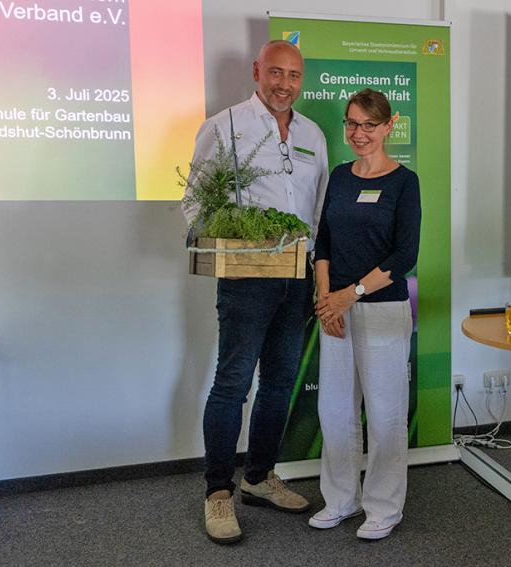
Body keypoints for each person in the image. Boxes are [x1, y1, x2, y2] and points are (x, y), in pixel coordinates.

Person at [181, 40, 329, 545]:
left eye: (294, 75)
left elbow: (318, 208)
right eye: (276, 73)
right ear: (257, 72)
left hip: (297, 277)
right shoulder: (223, 126)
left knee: (280, 381)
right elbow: (195, 203)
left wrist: (311, 265)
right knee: (232, 384)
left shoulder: (313, 133)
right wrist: (239, 235)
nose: (284, 84)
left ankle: (259, 476)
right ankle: (217, 492)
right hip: (245, 279)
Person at [310, 89, 421, 540]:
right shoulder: (338, 177)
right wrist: (325, 300)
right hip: (334, 309)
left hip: (382, 310)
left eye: (368, 125)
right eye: (351, 124)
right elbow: (324, 244)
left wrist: (348, 295)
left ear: (388, 125)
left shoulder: (403, 181)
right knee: (334, 410)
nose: (358, 133)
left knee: (384, 413)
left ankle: (383, 507)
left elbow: (404, 255)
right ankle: (339, 499)